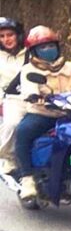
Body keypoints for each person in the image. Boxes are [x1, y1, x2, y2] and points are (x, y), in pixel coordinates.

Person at [14, 26, 71, 201]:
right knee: (23, 133)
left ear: (58, 47)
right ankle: (27, 179)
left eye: (51, 46)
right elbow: (28, 89)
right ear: (34, 51)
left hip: (70, 114)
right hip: (42, 115)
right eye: (43, 47)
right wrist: (35, 97)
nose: (48, 50)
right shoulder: (29, 70)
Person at [0, 16, 26, 175]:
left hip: (34, 98)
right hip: (9, 100)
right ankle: (9, 157)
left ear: (18, 35)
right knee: (14, 124)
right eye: (2, 36)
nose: (6, 39)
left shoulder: (31, 54)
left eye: (10, 35)